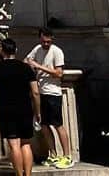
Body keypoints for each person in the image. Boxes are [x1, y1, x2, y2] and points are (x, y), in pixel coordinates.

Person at [0, 38, 41, 176]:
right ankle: (28, 174)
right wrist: (38, 111)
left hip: (6, 109)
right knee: (26, 144)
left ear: (1, 51)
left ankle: (18, 174)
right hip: (25, 108)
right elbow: (35, 92)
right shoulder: (26, 68)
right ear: (15, 50)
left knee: (14, 145)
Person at [26, 28, 71, 168]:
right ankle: (53, 154)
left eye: (48, 41)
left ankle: (67, 155)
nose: (46, 44)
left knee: (58, 124)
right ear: (40, 38)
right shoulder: (37, 49)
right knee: (44, 124)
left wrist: (39, 67)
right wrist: (30, 66)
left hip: (53, 92)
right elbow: (28, 60)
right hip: (41, 91)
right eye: (44, 41)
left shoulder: (57, 51)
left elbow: (59, 73)